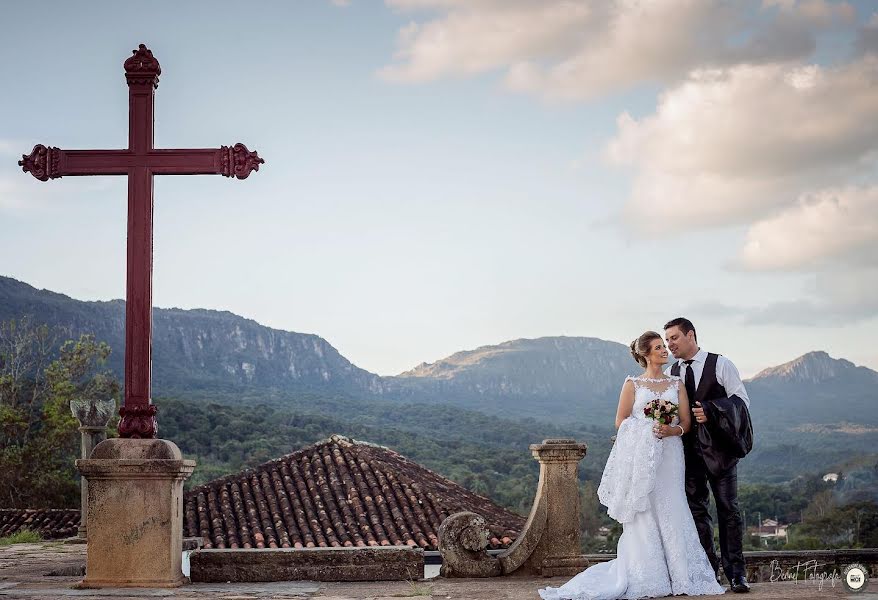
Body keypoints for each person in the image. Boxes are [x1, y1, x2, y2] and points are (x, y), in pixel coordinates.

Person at [538, 331, 726, 600]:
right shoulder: (633, 384)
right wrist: (647, 427)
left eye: (665, 346)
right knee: (645, 508)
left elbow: (686, 423)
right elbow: (621, 421)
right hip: (643, 456)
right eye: (659, 347)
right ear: (646, 354)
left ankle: (682, 574)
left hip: (671, 456)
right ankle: (649, 574)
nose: (665, 350)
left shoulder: (677, 384)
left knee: (673, 506)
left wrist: (671, 431)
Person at [664, 317, 753, 594]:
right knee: (696, 513)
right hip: (688, 454)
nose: (670, 345)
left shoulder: (722, 364)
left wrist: (712, 411)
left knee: (729, 511)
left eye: (674, 338)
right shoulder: (671, 372)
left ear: (690, 335)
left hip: (721, 454)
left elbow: (741, 402)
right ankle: (708, 573)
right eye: (667, 341)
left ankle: (737, 574)